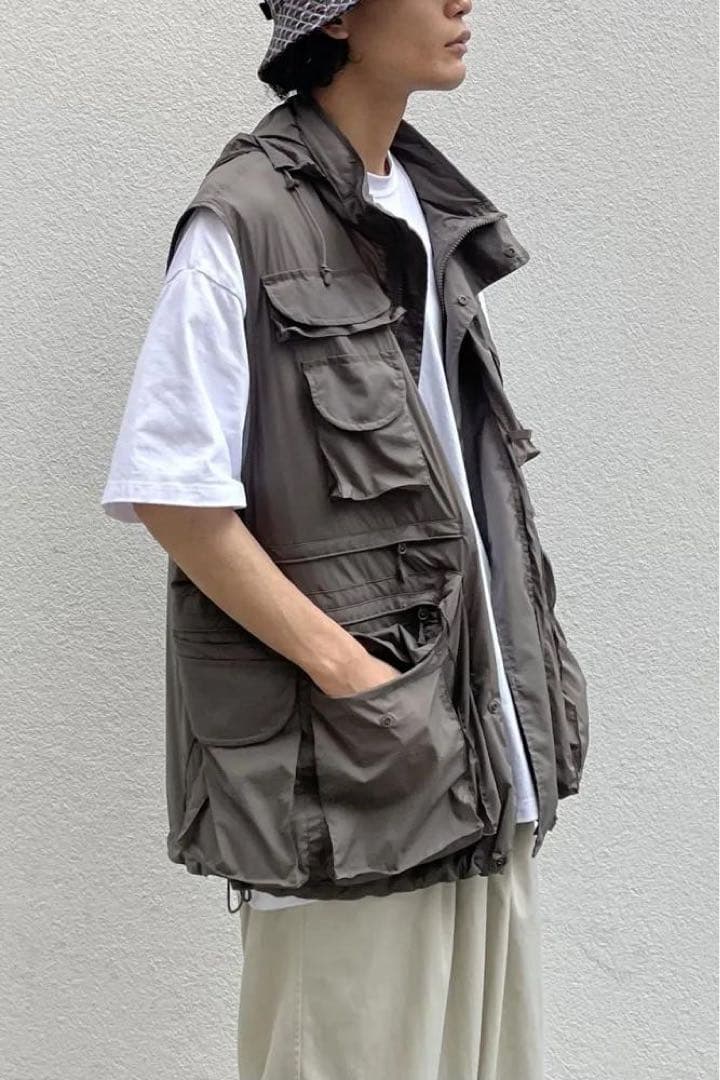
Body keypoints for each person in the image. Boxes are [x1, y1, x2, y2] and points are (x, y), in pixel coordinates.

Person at [101, 0, 591, 1076]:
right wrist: (353, 676)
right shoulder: (242, 220)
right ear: (336, 18)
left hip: (475, 767)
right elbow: (174, 498)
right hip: (352, 784)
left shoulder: (423, 205)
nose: (462, 3)